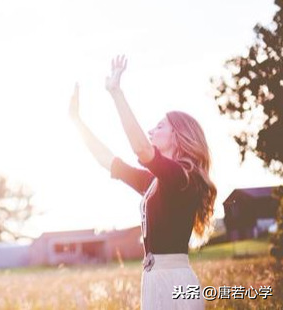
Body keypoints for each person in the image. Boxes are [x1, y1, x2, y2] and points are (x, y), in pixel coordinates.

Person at [68, 55, 217, 309]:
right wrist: (77, 121)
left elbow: (141, 148)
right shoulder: (156, 181)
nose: (151, 131)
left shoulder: (182, 178)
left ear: (178, 136)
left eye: (160, 127)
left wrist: (116, 93)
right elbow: (108, 160)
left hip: (174, 282)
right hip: (155, 279)